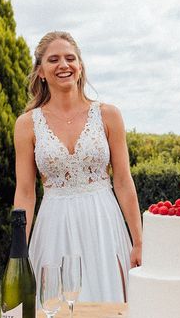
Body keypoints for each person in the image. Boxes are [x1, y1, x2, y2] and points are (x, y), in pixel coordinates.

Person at [13, 31, 141, 302]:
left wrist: (139, 241)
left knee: (109, 306)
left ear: (80, 67)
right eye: (53, 59)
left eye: (70, 58)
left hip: (102, 222)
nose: (64, 65)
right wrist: (18, 251)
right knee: (55, 308)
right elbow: (25, 192)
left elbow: (123, 181)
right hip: (54, 224)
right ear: (41, 72)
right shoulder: (26, 124)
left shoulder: (109, 115)